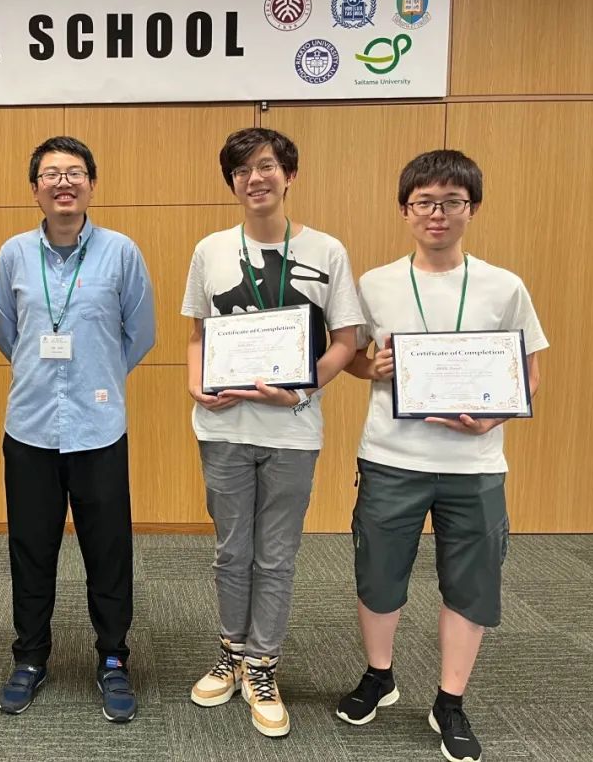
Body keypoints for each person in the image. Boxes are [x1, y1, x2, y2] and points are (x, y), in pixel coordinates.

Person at [336, 149, 547, 762]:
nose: (437, 213)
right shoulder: (375, 283)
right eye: (424, 202)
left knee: (471, 585)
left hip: (474, 466)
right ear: (405, 210)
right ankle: (379, 675)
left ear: (471, 209)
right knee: (378, 575)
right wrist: (370, 366)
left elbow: (529, 371)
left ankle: (450, 701)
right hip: (391, 457)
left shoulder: (504, 286)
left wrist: (493, 417)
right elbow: (350, 357)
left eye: (452, 202)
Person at [182, 127, 362, 737]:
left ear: (289, 174)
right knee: (232, 549)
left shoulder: (327, 250)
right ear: (232, 183)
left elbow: (346, 342)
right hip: (223, 426)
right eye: (241, 171)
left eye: (265, 166)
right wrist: (195, 382)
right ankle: (231, 652)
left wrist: (303, 389)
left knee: (276, 554)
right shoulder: (210, 250)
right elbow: (197, 334)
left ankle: (263, 664)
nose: (254, 179)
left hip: (293, 429)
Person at [0, 136, 155, 722]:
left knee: (107, 551)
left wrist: (98, 377)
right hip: (30, 427)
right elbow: (6, 334)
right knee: (30, 549)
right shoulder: (13, 254)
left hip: (98, 429)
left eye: (75, 172)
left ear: (91, 184)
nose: (64, 182)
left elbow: (140, 334)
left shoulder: (121, 252)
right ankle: (30, 657)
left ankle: (113, 657)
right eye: (52, 174)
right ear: (34, 188)